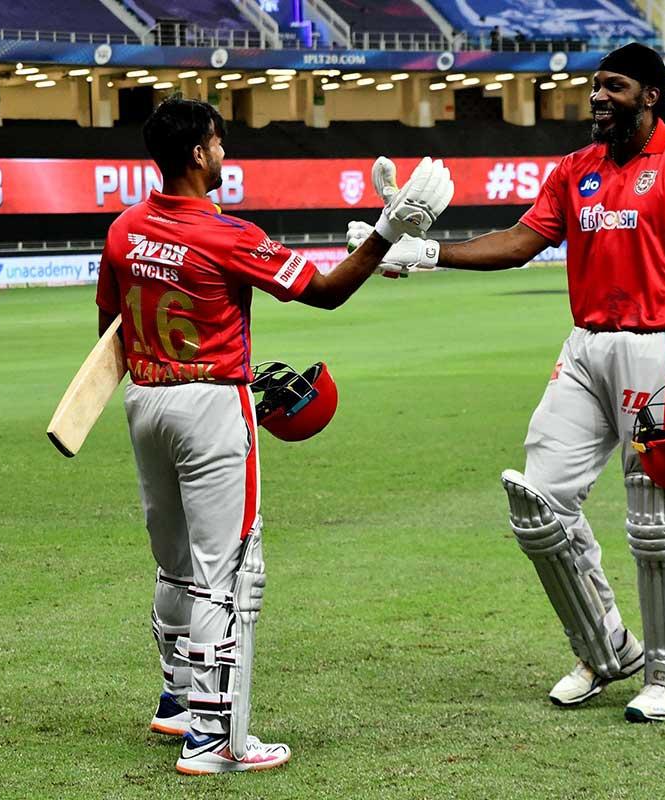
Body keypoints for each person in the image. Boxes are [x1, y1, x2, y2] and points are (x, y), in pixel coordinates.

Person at [351, 43, 665, 722]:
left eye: (615, 87)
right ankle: (607, 650)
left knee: (657, 520)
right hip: (585, 347)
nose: (598, 97)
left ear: (651, 94)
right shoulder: (576, 170)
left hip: (664, 347)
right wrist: (423, 252)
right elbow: (519, 242)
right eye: (595, 87)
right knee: (538, 501)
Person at [95, 96, 452, 773]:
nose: (226, 155)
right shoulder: (229, 233)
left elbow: (110, 327)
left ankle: (176, 702)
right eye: (221, 144)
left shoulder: (123, 229)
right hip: (210, 406)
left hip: (144, 400)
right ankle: (217, 741)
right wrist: (386, 231)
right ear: (200, 153)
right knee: (226, 573)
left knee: (174, 562)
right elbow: (325, 292)